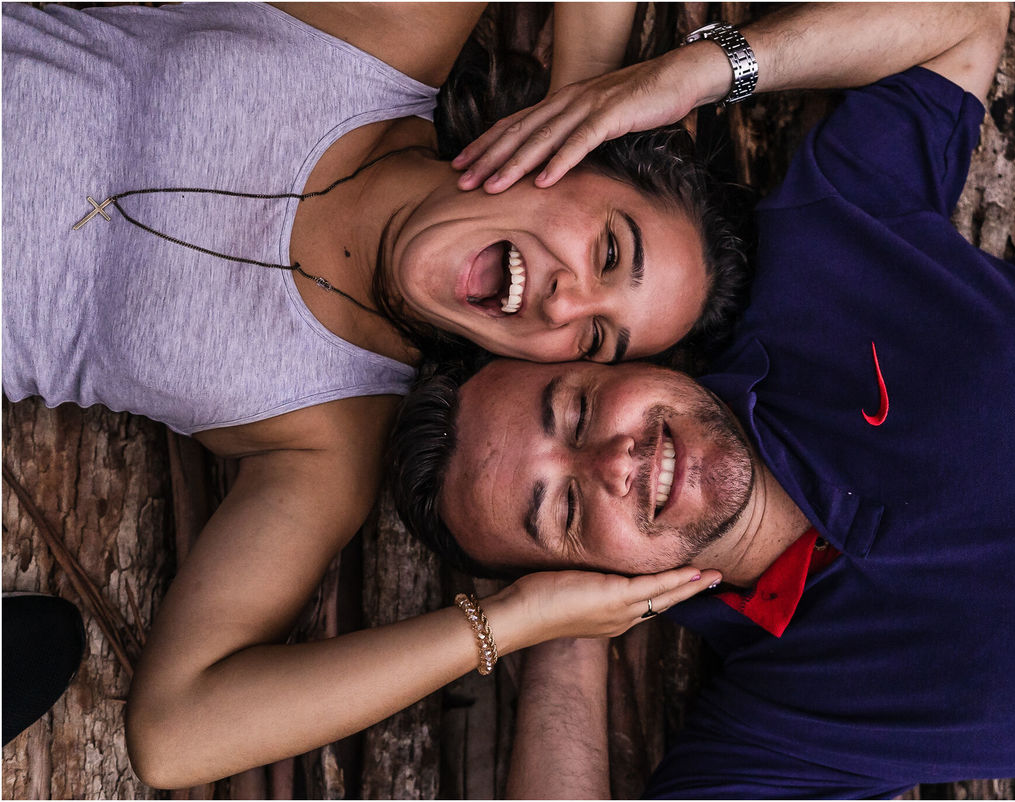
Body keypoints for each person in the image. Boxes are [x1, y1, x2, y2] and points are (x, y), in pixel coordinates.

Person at [390, 2, 1015, 796]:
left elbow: (965, 20)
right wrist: (562, 635)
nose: (613, 462)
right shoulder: (790, 721)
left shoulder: (818, 267)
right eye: (566, 509)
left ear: (612, 362)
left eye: (576, 412)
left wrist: (692, 74)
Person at [1, 2, 736, 785]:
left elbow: (176, 733)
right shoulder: (391, 40)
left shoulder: (328, 436)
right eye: (609, 250)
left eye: (593, 339)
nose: (564, 302)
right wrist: (576, 99)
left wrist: (508, 623)